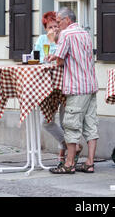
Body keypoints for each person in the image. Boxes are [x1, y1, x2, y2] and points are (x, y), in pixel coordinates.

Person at [49, 7, 99, 174]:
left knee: (71, 125)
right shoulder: (85, 33)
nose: (57, 25)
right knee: (91, 126)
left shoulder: (66, 34)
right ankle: (90, 163)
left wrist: (55, 58)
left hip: (77, 87)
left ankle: (69, 164)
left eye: (59, 21)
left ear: (67, 20)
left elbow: (60, 61)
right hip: (90, 85)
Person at [34, 11, 82, 167]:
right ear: (45, 27)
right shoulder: (42, 39)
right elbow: (35, 58)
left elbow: (65, 60)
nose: (54, 29)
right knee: (46, 122)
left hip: (65, 84)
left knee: (64, 122)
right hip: (47, 85)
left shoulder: (65, 38)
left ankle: (64, 155)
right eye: (50, 27)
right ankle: (71, 146)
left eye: (56, 25)